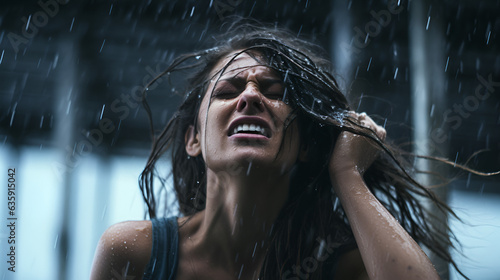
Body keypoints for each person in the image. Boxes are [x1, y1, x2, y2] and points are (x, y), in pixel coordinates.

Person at [90, 22, 466, 280]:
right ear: (193, 139)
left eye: (275, 92)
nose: (250, 96)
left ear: (304, 145)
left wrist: (348, 175)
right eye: (227, 91)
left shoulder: (339, 269)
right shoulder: (134, 255)